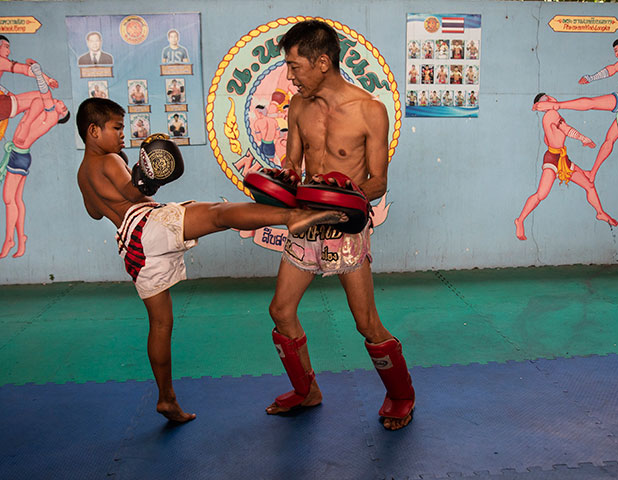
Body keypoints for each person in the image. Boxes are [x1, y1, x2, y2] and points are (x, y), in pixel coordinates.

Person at [75, 97, 347, 423]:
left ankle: (166, 399)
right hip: (148, 225)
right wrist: (149, 174)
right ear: (93, 131)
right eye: (117, 128)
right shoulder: (108, 161)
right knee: (220, 214)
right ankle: (290, 216)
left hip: (132, 248)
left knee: (161, 325)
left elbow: (94, 212)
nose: (123, 135)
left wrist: (133, 180)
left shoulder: (83, 173)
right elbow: (135, 194)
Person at [265, 20, 415, 431]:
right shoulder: (298, 106)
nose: (290, 75)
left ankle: (401, 395)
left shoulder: (370, 110)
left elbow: (378, 180)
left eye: (295, 67)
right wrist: (287, 178)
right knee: (280, 310)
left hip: (346, 227)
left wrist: (345, 193)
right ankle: (306, 390)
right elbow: (292, 163)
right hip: (307, 223)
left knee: (365, 321)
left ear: (323, 62)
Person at [532, 38, 618, 184]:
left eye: (616, 51)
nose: (616, 54)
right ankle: (592, 173)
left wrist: (591, 77)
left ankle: (558, 105)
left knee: (591, 103)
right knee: (610, 139)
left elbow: (613, 69)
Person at [515, 93, 617, 241]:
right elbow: (566, 129)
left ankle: (600, 212)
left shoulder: (552, 114)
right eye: (546, 99)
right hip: (552, 159)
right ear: (543, 104)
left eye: (548, 96)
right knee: (541, 195)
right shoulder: (551, 115)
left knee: (589, 185)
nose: (550, 98)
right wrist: (583, 138)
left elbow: (555, 134)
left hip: (563, 159)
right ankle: (520, 220)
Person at [1, 63, 69, 258]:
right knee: (16, 199)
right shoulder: (42, 107)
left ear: (60, 114)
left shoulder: (50, 115)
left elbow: (45, 93)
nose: (60, 103)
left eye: (63, 107)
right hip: (19, 154)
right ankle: (20, 238)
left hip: (19, 156)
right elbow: (21, 100)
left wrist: (39, 74)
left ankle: (10, 240)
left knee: (8, 199)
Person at [0, 35, 58, 125]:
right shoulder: (1, 61)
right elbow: (25, 69)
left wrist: (7, 92)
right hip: (3, 106)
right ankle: (47, 115)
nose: (9, 51)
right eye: (6, 47)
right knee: (39, 97)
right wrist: (47, 79)